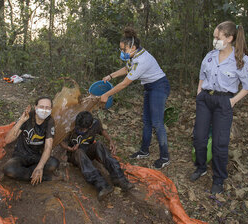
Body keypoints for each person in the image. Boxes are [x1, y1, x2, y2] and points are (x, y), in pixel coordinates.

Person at [190, 21, 248, 194]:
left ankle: (219, 178)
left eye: (217, 37)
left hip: (223, 102)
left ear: (229, 38)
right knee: (199, 137)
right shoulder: (210, 55)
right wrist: (199, 93)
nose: (214, 40)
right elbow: (202, 75)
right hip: (205, 99)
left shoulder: (241, 60)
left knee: (220, 143)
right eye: (214, 37)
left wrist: (232, 102)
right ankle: (201, 167)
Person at [100, 27, 170, 169]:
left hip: (159, 86)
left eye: (123, 50)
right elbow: (127, 68)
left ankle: (165, 157)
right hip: (149, 87)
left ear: (132, 47)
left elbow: (125, 83)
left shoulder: (142, 60)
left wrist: (107, 94)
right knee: (146, 121)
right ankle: (144, 151)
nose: (122, 52)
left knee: (157, 122)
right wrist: (111, 75)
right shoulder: (134, 55)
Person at [60, 111, 134, 200]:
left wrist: (110, 141)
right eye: (79, 128)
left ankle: (119, 178)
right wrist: (69, 148)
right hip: (75, 155)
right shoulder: (70, 127)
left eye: (83, 129)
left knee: (99, 144)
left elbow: (102, 131)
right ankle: (101, 184)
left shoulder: (95, 124)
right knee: (79, 152)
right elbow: (61, 141)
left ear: (90, 126)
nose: (80, 131)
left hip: (88, 151)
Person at [4, 96, 60, 185]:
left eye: (47, 108)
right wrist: (21, 121)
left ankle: (30, 174)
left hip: (37, 156)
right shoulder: (27, 117)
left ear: (51, 109)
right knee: (10, 169)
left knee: (53, 163)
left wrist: (40, 167)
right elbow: (7, 140)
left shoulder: (49, 121)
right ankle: (43, 177)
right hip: (21, 155)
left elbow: (48, 147)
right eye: (41, 107)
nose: (44, 110)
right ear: (36, 107)